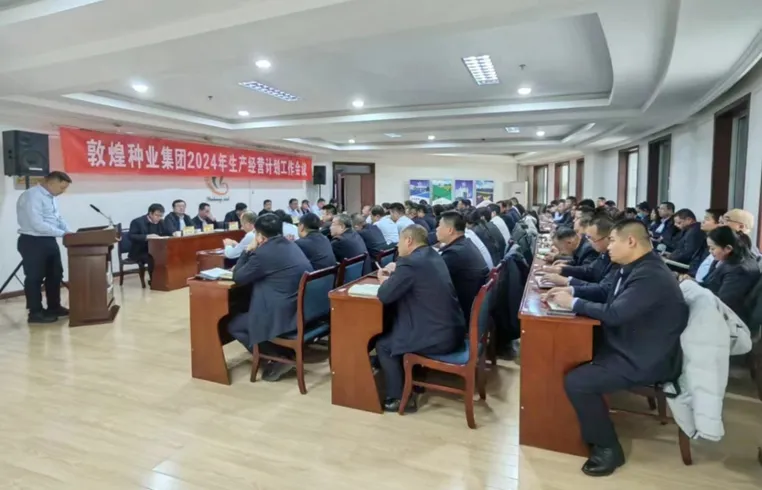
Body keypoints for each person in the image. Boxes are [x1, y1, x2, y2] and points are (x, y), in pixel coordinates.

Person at [547, 219, 688, 476]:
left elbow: (615, 313)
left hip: (644, 357)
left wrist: (573, 303)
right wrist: (569, 291)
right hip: (630, 343)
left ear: (631, 241)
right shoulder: (635, 267)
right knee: (568, 350)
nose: (608, 246)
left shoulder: (650, 275)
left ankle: (608, 448)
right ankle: (567, 425)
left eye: (612, 240)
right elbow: (606, 294)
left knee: (578, 382)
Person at [375, 225, 466, 412]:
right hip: (452, 328)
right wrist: (397, 273)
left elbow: (385, 295)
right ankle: (411, 380)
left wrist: (384, 281)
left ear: (408, 241)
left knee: (383, 345)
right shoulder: (432, 255)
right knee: (395, 327)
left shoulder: (409, 263)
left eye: (400, 241)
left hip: (438, 336)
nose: (398, 246)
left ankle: (400, 398)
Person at [226, 213, 313, 381]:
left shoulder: (263, 253)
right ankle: (280, 351)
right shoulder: (291, 245)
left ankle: (276, 358)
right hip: (300, 307)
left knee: (234, 325)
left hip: (282, 314)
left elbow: (238, 277)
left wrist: (247, 250)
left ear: (259, 235)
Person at [15, 171, 73, 323]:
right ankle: (35, 312)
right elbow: (37, 224)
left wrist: (69, 232)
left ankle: (54, 307)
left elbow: (57, 218)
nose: (63, 191)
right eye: (62, 187)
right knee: (35, 277)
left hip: (49, 240)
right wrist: (63, 234)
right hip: (32, 241)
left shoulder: (51, 198)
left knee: (55, 274)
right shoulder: (32, 196)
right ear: (51, 183)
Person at [690, 226, 760, 316]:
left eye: (712, 248)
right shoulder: (725, 259)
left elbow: (725, 302)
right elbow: (709, 284)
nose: (710, 251)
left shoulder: (738, 271)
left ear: (728, 248)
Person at [437, 211, 489, 320]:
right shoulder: (466, 244)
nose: (436, 229)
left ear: (450, 230)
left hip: (460, 314)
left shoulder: (454, 254)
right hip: (472, 308)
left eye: (439, 226)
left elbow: (432, 279)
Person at [542, 214, 616, 288]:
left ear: (607, 238)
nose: (589, 241)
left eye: (592, 238)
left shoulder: (613, 258)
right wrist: (562, 269)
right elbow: (589, 270)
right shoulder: (603, 253)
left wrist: (567, 281)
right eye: (588, 237)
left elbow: (603, 290)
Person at [128, 203, 171, 284]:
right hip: (140, 251)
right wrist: (147, 236)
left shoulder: (161, 222)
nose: (159, 218)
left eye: (161, 216)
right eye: (157, 215)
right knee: (153, 258)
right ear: (150, 213)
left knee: (170, 255)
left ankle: (167, 279)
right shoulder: (137, 222)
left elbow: (166, 233)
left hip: (156, 249)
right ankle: (154, 281)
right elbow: (131, 236)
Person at [692, 208, 725, 280]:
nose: (703, 221)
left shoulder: (719, 245)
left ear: (718, 224)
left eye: (707, 219)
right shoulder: (704, 238)